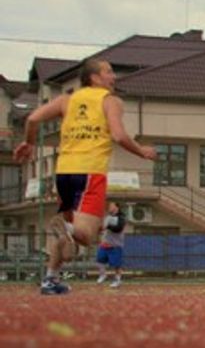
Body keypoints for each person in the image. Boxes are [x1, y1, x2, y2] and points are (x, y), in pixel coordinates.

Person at [13, 59, 157, 295]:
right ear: (95, 78)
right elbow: (119, 136)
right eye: (109, 72)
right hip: (90, 172)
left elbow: (32, 119)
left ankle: (51, 278)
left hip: (64, 173)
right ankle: (66, 228)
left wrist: (29, 142)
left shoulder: (66, 100)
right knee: (85, 236)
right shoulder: (110, 101)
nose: (114, 77)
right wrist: (142, 151)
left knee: (67, 233)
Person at [95, 202, 128, 288]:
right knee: (99, 260)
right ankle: (103, 275)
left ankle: (117, 280)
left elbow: (118, 228)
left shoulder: (121, 217)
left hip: (115, 245)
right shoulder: (107, 217)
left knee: (116, 265)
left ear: (117, 207)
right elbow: (102, 228)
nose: (109, 207)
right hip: (105, 243)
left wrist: (108, 227)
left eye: (111, 206)